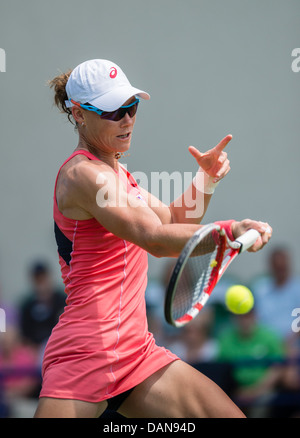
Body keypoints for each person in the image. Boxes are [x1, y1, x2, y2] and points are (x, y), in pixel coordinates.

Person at [34, 58, 272, 418]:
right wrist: (231, 231)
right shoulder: (82, 175)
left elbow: (176, 221)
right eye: (114, 111)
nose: (127, 118)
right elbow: (156, 239)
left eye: (132, 106)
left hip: (135, 354)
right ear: (80, 114)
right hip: (85, 352)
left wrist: (205, 181)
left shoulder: (118, 176)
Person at [251, 247, 300, 341]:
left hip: (295, 345)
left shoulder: (298, 287)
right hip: (266, 344)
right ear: (271, 267)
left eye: (282, 267)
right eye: (277, 268)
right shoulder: (259, 289)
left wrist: (288, 342)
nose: (280, 271)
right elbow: (254, 320)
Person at [19, 261, 66, 349]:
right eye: (38, 280)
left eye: (43, 278)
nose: (41, 283)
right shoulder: (27, 305)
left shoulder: (61, 300)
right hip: (34, 349)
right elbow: (24, 335)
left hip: (58, 345)